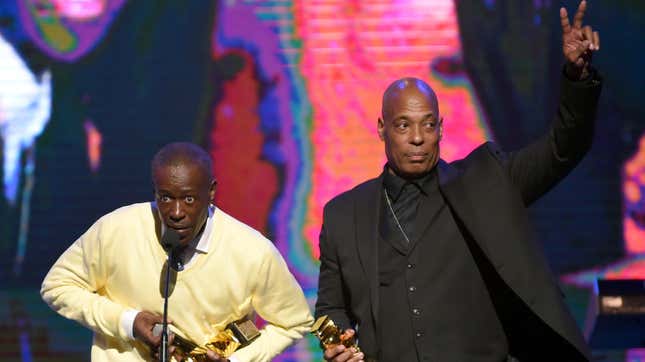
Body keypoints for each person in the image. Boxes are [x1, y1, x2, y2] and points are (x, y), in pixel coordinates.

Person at [314, 1, 601, 361]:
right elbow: (330, 306)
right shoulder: (343, 215)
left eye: (428, 124)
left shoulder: (488, 181)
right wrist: (338, 342)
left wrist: (577, 80)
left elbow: (563, 147)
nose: (417, 137)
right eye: (404, 125)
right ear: (381, 129)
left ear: (441, 130)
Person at [41, 142, 313, 361]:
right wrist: (127, 321)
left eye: (189, 199)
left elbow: (293, 322)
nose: (176, 212)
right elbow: (57, 286)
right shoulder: (116, 230)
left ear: (212, 192)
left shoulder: (252, 251)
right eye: (166, 197)